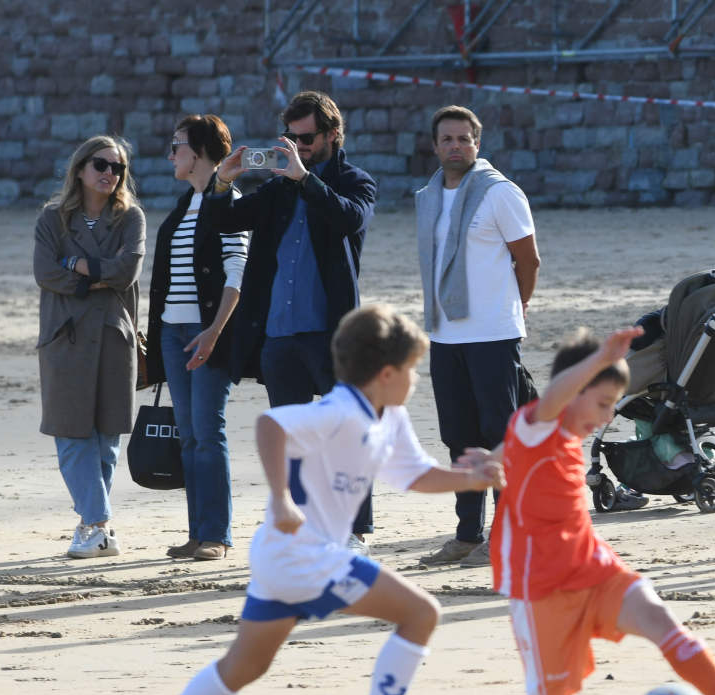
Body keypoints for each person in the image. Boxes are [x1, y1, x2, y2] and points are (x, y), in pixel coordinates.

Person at [109, 305, 505, 695]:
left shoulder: (389, 418)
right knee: (420, 613)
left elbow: (416, 476)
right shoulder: (339, 411)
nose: (414, 381)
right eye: (412, 370)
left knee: (243, 666)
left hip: (285, 559)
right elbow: (271, 423)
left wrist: (476, 478)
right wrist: (279, 498)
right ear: (387, 374)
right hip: (303, 555)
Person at [479, 326, 715, 695]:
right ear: (573, 391)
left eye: (614, 403)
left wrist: (487, 464)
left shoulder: (551, 439)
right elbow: (548, 403)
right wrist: (600, 359)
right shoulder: (539, 424)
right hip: (544, 594)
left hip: (595, 570)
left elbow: (508, 452)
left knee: (661, 620)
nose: (609, 414)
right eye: (600, 402)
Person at [204, 90, 378, 552]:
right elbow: (224, 220)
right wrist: (223, 181)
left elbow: (350, 221)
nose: (298, 148)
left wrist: (306, 181)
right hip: (279, 334)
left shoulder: (354, 181)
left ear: (333, 135)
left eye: (307, 139)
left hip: (332, 333)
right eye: (292, 139)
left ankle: (355, 530)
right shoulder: (277, 190)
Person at [414, 105, 543, 568]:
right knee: (458, 437)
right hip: (445, 334)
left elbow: (527, 261)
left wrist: (517, 306)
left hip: (492, 332)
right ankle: (467, 534)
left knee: (499, 437)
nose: (455, 146)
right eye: (447, 139)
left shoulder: (500, 193)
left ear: (477, 144)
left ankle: (508, 532)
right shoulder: (428, 196)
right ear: (435, 146)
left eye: (464, 139)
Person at [33, 135, 145, 559]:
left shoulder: (131, 218)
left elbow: (127, 270)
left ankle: (92, 525)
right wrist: (91, 276)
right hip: (65, 339)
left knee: (105, 439)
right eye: (100, 164)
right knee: (70, 433)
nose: (109, 174)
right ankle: (98, 523)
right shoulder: (52, 219)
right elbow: (45, 271)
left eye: (117, 167)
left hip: (114, 338)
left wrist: (79, 266)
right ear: (80, 168)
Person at [146, 115, 250, 561]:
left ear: (202, 152)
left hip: (209, 333)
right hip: (173, 332)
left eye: (178, 146)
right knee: (187, 435)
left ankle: (217, 536)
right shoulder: (183, 203)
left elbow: (237, 272)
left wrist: (214, 331)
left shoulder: (229, 201)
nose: (172, 155)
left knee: (208, 432)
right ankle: (197, 533)